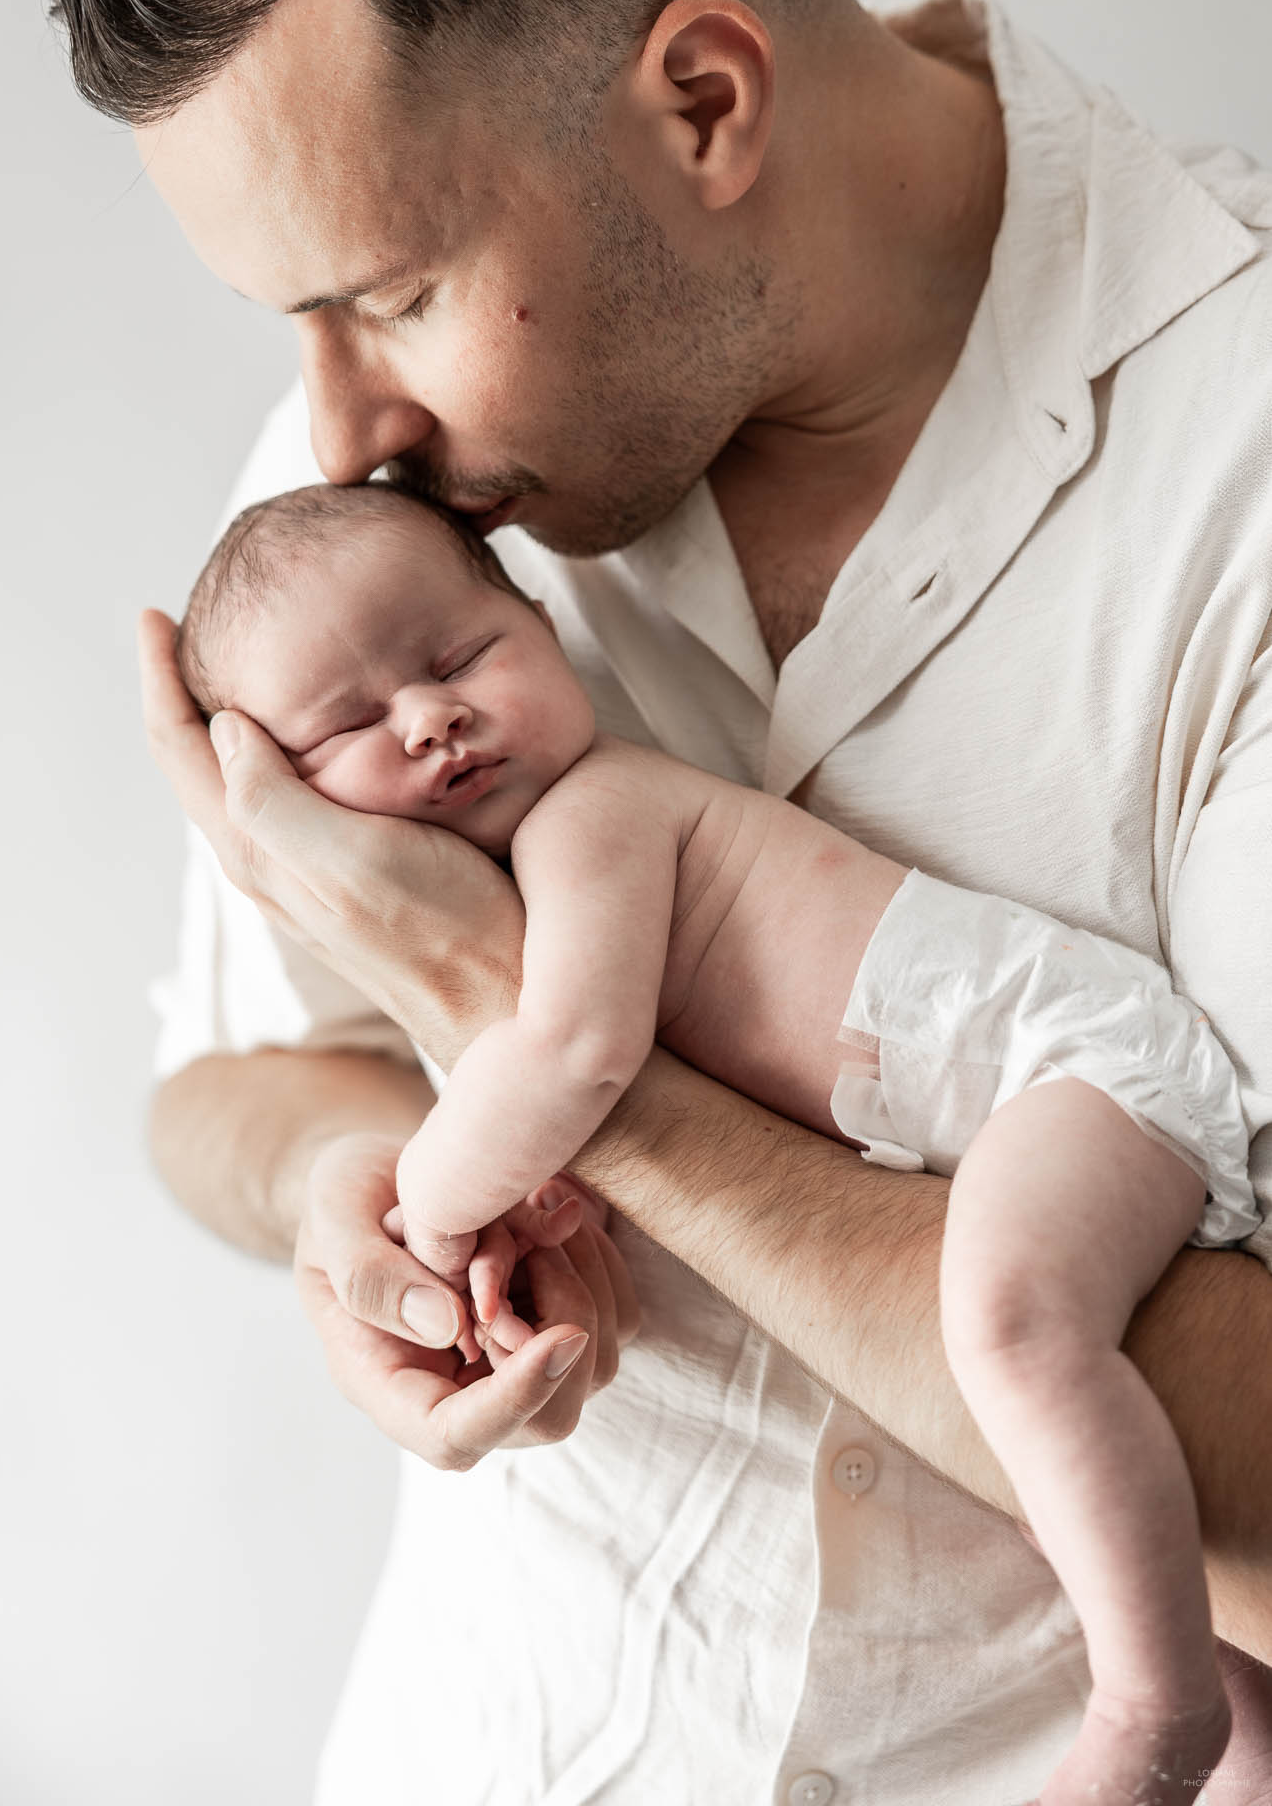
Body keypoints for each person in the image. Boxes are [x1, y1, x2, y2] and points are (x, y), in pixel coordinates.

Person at [35, 0, 1272, 1799]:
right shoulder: (373, 516)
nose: (334, 422)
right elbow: (223, 1090)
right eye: (297, 323)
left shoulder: (1233, 486)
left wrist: (499, 1017)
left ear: (703, 103)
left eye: (388, 295)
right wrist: (356, 1209)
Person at [177, 472, 1267, 1799]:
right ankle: (1238, 1700)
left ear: (542, 620)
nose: (430, 716)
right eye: (349, 726)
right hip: (1018, 1103)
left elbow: (573, 1056)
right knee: (1014, 1419)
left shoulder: (598, 815)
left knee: (1008, 1327)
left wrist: (438, 1204)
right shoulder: (506, 867)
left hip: (1074, 1071)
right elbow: (220, 1087)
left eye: (462, 657)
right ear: (272, 793)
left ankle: (1155, 1710)